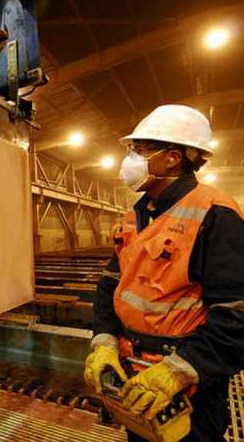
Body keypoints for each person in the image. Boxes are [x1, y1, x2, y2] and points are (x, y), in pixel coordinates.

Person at [83, 104, 244, 441]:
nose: (130, 160)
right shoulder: (137, 216)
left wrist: (179, 371)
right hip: (136, 380)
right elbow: (110, 287)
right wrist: (104, 343)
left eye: (139, 150)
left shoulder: (216, 215)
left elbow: (236, 315)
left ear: (172, 158)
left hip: (187, 389)